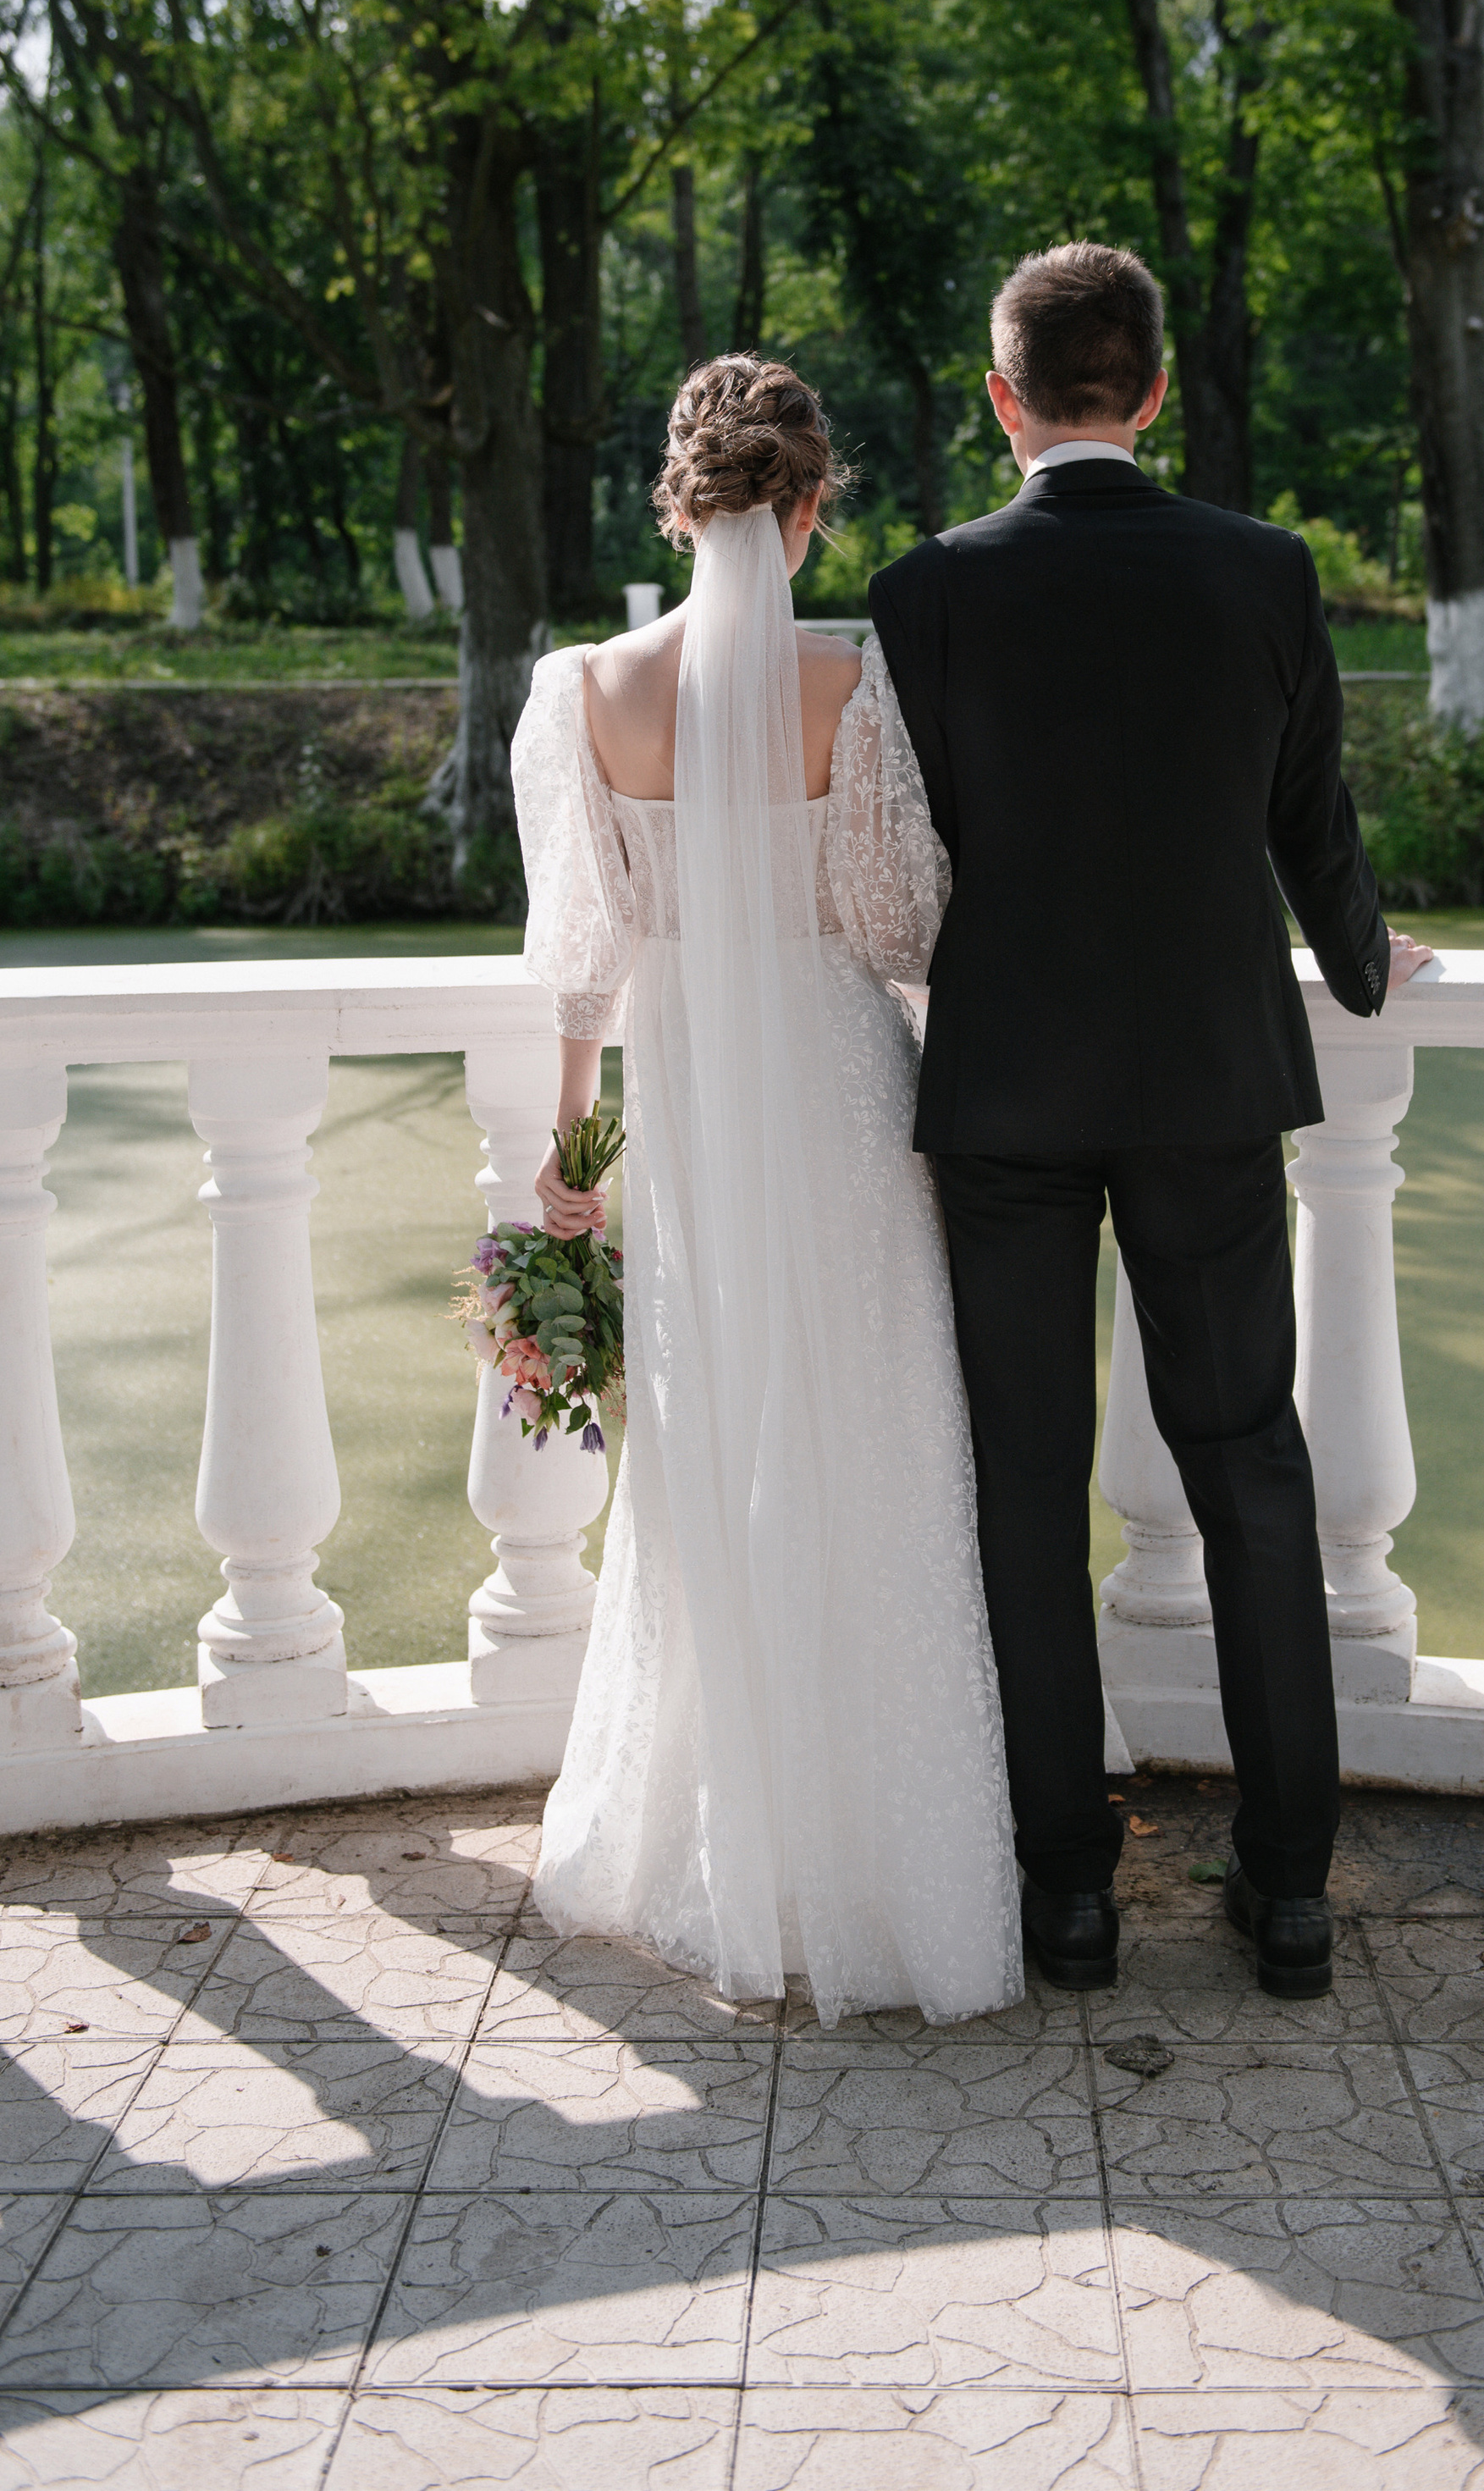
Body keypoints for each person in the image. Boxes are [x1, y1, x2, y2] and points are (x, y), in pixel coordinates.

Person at [870, 241, 1432, 2002]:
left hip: (1007, 1091)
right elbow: (1308, 815)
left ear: (1001, 398)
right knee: (1249, 1463)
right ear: (1158, 389)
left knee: (1025, 1490)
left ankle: (1064, 1896)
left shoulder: (925, 590)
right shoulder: (1260, 571)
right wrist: (1355, 965)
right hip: (1202, 1083)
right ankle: (1284, 1893)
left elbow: (924, 847)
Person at [509, 353, 1022, 2027]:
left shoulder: (586, 687)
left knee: (707, 1451)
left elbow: (582, 956)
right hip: (838, 1088)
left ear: (681, 497)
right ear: (808, 503)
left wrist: (571, 1144)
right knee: (867, 1440)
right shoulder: (847, 683)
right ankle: (878, 1865)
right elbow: (901, 926)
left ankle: (711, 1846)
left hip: (690, 1111)